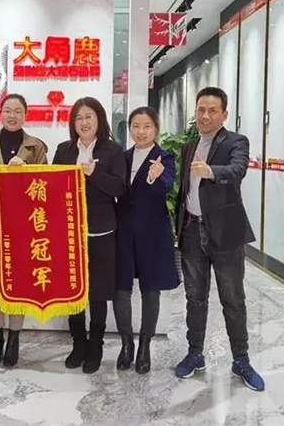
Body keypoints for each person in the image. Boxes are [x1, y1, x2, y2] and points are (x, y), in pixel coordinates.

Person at [175, 87, 265, 391]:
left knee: (233, 299)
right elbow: (185, 189)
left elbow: (238, 170)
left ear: (224, 114)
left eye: (212, 111)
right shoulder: (189, 146)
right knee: (195, 297)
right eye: (201, 109)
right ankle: (195, 354)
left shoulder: (236, 141)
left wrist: (210, 170)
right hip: (192, 231)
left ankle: (241, 360)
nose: (205, 116)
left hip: (225, 232)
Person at [0, 94, 48, 368]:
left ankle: (14, 340)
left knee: (20, 284)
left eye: (17, 111)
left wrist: (26, 172)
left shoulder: (36, 146)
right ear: (0, 113)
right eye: (7, 110)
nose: (12, 115)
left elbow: (45, 186)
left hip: (24, 225)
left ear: (25, 115)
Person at [53, 97, 126, 374]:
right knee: (73, 290)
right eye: (79, 118)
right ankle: (78, 343)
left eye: (89, 117)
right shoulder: (64, 150)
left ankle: (95, 345)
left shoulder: (113, 150)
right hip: (69, 232)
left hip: (101, 231)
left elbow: (119, 188)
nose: (84, 122)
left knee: (97, 291)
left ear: (99, 120)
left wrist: (95, 173)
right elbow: (51, 186)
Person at [114, 107, 179, 374]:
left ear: (156, 129)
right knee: (120, 290)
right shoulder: (123, 156)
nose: (141, 132)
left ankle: (144, 346)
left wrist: (154, 177)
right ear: (129, 129)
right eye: (136, 126)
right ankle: (126, 344)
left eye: (147, 126)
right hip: (123, 232)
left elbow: (167, 186)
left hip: (153, 233)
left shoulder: (165, 156)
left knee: (150, 290)